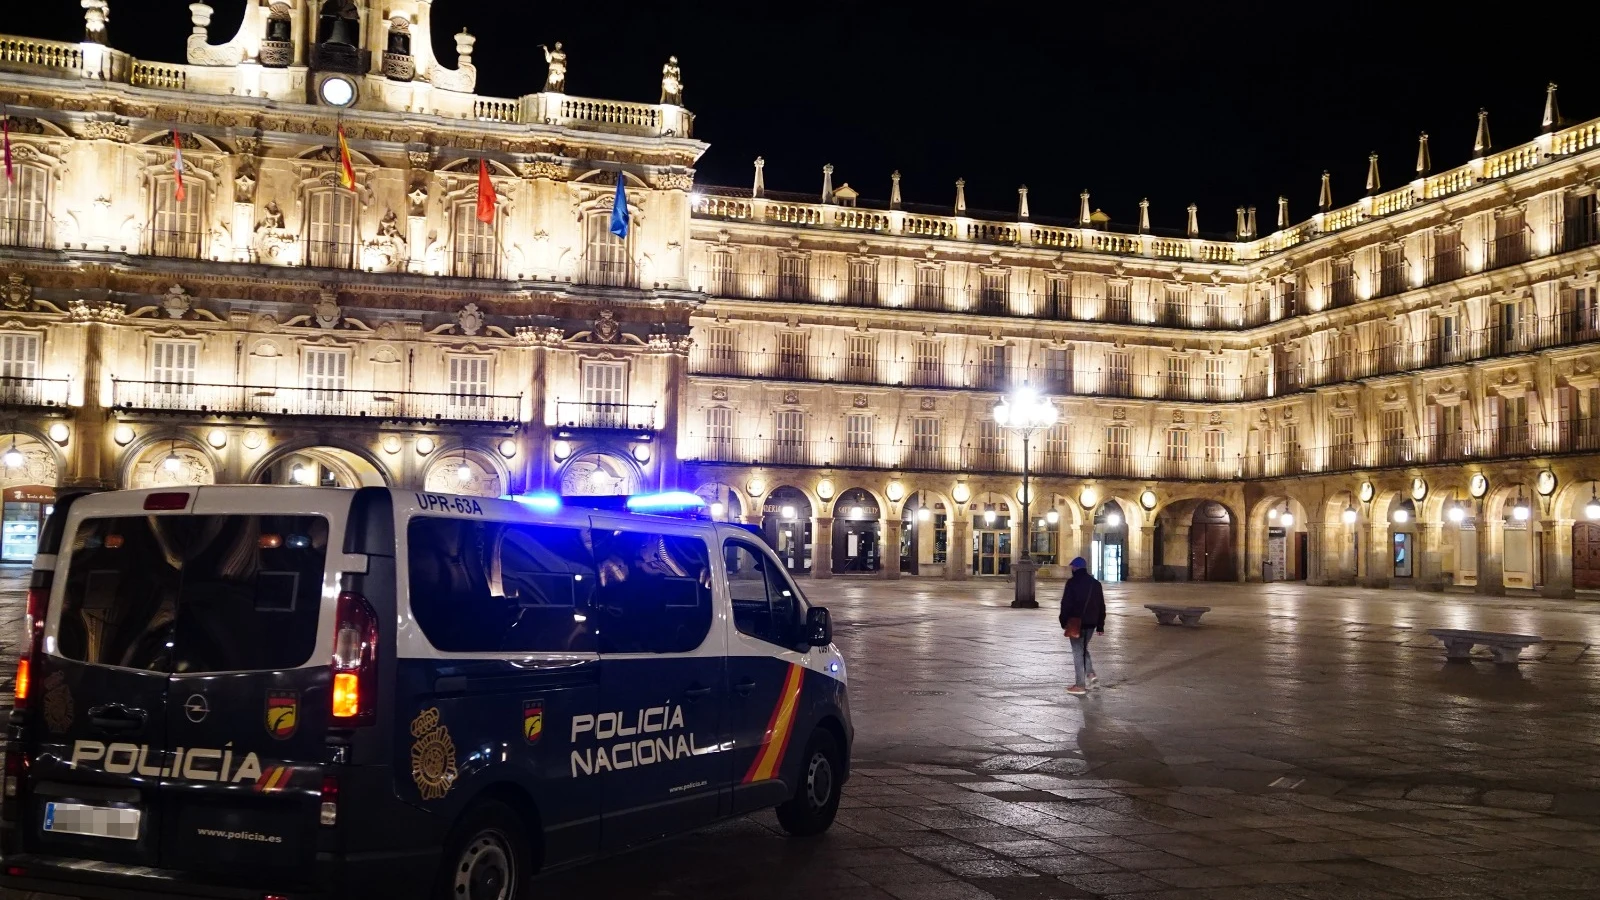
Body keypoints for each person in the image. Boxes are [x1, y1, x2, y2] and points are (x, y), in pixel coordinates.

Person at [1059, 557, 1106, 696]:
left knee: (1078, 653)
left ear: (1075, 568)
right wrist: (1100, 625)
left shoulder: (1072, 583)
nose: (1071, 569)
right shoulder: (1095, 584)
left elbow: (1066, 604)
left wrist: (1063, 621)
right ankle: (1091, 674)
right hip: (1091, 623)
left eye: (1072, 567)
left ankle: (1080, 685)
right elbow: (1101, 605)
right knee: (1082, 649)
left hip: (1076, 622)